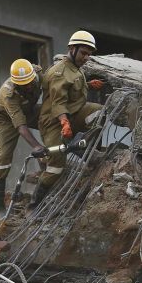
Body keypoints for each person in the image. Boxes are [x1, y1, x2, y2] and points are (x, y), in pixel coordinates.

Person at [33, 30, 105, 206]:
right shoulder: (60, 71)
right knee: (56, 168)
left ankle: (85, 150)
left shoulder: (75, 68)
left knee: (98, 111)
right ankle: (34, 203)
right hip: (54, 123)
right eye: (83, 53)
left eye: (89, 54)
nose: (86, 57)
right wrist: (64, 123)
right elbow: (58, 103)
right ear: (72, 48)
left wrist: (88, 85)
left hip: (73, 114)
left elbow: (72, 89)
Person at [0, 59, 47, 218]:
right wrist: (36, 146)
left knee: (51, 118)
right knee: (3, 158)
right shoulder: (9, 94)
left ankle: (47, 169)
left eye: (30, 82)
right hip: (5, 119)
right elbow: (21, 126)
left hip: (30, 110)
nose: (28, 86)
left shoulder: (38, 74)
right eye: (24, 85)